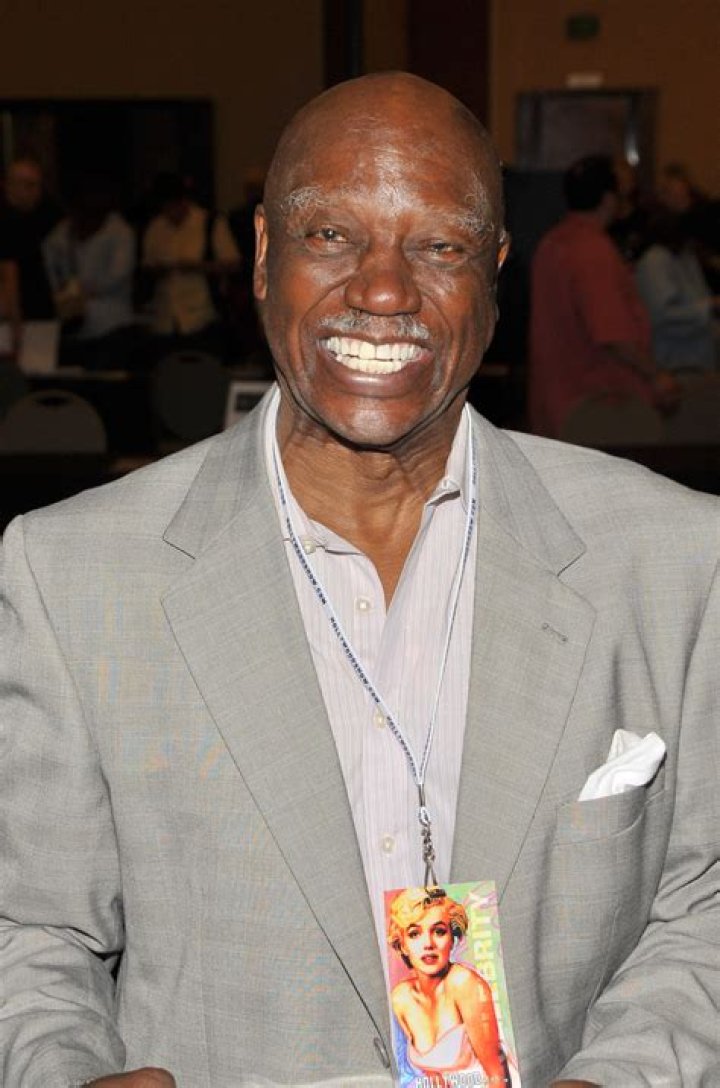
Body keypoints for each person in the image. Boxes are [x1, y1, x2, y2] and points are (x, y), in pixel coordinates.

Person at [0, 73, 718, 1088]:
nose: (383, 292)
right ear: (263, 255)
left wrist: (622, 1076)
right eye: (332, 235)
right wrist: (64, 1069)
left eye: (441, 246)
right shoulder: (73, 574)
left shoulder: (674, 560)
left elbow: (702, 905)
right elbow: (33, 930)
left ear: (495, 271)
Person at [528, 154, 680, 438]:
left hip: (558, 404)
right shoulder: (593, 250)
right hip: (601, 407)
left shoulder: (553, 242)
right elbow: (612, 335)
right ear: (609, 199)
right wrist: (657, 376)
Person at [387, 887, 511, 1085]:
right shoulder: (401, 998)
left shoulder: (465, 984)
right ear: (402, 945)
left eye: (439, 931)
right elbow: (432, 1074)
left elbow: (496, 1073)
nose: (428, 944)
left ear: (452, 939)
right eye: (414, 934)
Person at [141, 172, 241, 359]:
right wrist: (158, 270)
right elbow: (147, 266)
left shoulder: (210, 222)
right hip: (164, 317)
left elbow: (233, 264)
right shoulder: (156, 227)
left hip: (203, 315)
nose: (170, 211)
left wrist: (197, 266)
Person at [43, 177, 139, 369]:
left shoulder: (120, 232)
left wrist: (81, 288)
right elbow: (48, 258)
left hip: (112, 326)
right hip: (75, 325)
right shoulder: (65, 229)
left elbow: (118, 276)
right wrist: (60, 291)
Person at [635, 210, 719, 372]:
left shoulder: (686, 257)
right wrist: (709, 306)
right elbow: (663, 314)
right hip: (675, 356)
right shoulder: (655, 261)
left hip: (699, 350)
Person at [0, 156, 62, 321]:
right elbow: (8, 268)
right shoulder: (5, 220)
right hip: (18, 315)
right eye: (28, 185)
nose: (35, 191)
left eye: (37, 185)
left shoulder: (46, 214)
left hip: (44, 309)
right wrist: (14, 313)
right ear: (9, 185)